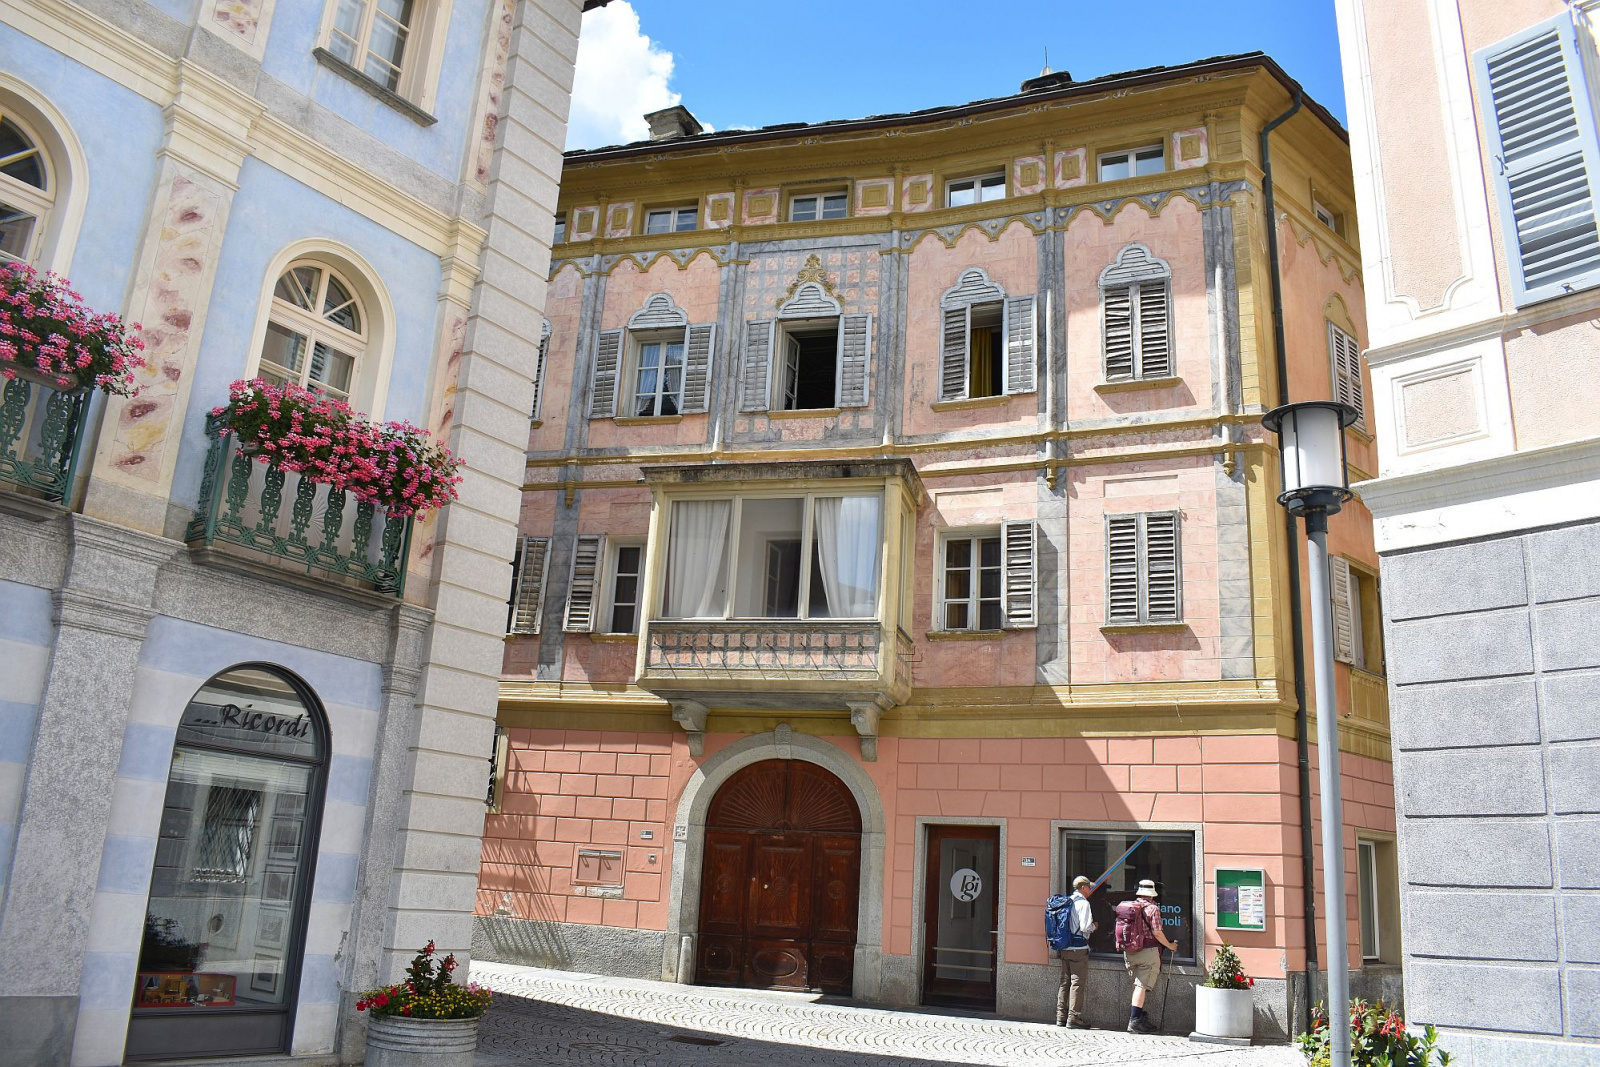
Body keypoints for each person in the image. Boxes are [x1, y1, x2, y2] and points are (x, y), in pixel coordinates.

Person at [1117, 879, 1178, 1034]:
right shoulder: (1152, 908)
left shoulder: (1130, 907)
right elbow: (1157, 932)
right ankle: (1135, 1021)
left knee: (1136, 984)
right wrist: (1170, 946)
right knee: (1141, 986)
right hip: (1147, 951)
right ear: (1152, 894)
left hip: (1129, 951)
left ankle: (1139, 1016)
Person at [1056, 875, 1097, 1028]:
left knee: (1064, 982)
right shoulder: (1084, 904)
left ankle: (1060, 1016)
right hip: (1078, 949)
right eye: (1089, 887)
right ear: (1083, 888)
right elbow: (1085, 927)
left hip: (1065, 947)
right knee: (1077, 983)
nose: (1091, 890)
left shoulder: (1067, 901)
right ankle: (1073, 1017)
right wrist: (1094, 927)